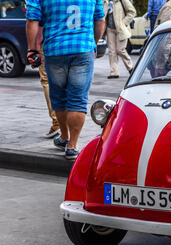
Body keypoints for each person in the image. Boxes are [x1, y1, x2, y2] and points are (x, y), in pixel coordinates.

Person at [26, 0, 105, 160]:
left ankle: (64, 136)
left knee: (59, 96)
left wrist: (32, 49)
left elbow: (32, 19)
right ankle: (72, 146)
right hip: (83, 49)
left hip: (55, 50)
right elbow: (100, 19)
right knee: (77, 99)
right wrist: (94, 44)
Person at [36, 24, 60, 139]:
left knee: (47, 81)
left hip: (47, 40)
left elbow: (35, 21)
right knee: (65, 81)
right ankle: (68, 124)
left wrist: (34, 47)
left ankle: (57, 123)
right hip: (69, 43)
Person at [103, 0, 136, 79]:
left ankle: (130, 68)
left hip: (121, 29)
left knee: (120, 49)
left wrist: (123, 23)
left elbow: (132, 12)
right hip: (109, 29)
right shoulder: (105, 1)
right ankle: (114, 72)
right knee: (112, 51)